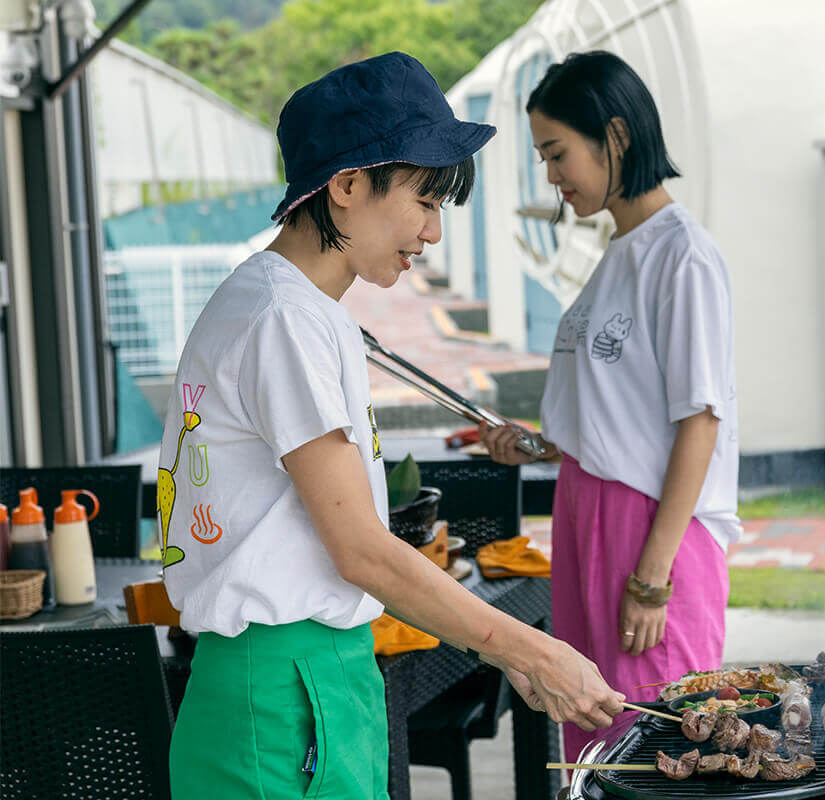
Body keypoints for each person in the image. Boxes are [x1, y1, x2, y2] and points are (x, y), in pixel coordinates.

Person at [160, 52, 623, 799]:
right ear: (347, 186)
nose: (433, 233)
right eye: (424, 201)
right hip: (282, 694)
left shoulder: (293, 308)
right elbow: (363, 553)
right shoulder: (283, 319)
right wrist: (528, 650)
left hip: (314, 678)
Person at [482, 50, 741, 760]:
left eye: (558, 153)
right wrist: (536, 444)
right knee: (593, 731)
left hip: (650, 534)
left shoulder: (681, 256)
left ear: (616, 137)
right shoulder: (619, 253)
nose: (552, 176)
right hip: (586, 514)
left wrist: (652, 581)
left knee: (659, 741)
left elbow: (701, 421)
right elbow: (618, 417)